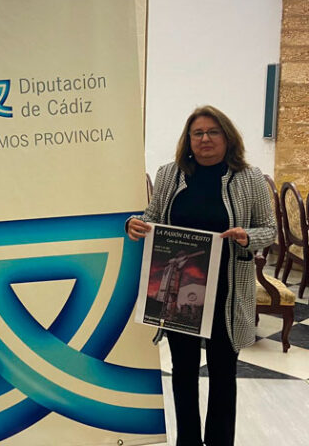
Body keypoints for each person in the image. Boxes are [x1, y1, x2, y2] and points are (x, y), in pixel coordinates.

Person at [126, 105, 275, 446]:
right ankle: (188, 441)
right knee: (183, 371)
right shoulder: (170, 174)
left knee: (223, 373)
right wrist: (134, 223)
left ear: (227, 137)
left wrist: (248, 236)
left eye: (213, 132)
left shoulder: (249, 178)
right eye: (198, 133)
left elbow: (270, 229)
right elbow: (152, 216)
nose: (205, 138)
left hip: (227, 291)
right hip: (180, 294)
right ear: (189, 139)